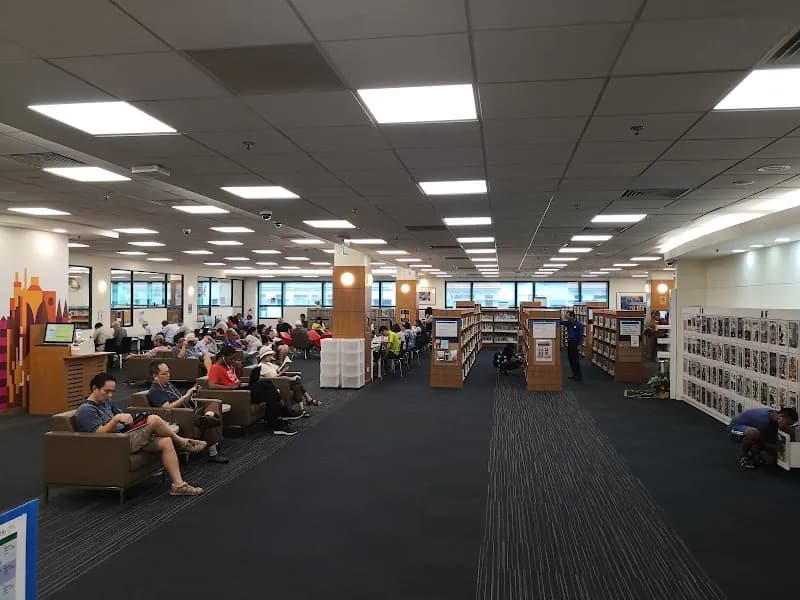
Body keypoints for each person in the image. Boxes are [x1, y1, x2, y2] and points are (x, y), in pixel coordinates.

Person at [74, 372, 207, 496]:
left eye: (112, 392)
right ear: (94, 388)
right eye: (106, 391)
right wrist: (116, 419)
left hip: (127, 435)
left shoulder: (107, 403)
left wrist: (135, 421)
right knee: (154, 420)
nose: (109, 396)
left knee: (165, 441)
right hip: (115, 444)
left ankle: (178, 486)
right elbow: (98, 435)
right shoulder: (86, 410)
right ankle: (182, 442)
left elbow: (123, 418)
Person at [147, 361, 228, 463]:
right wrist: (186, 396)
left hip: (189, 410)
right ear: (155, 376)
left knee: (212, 403)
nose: (168, 375)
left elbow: (179, 398)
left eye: (168, 372)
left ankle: (207, 417)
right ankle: (213, 453)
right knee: (207, 421)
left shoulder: (168, 385)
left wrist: (191, 392)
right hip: (181, 416)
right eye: (164, 373)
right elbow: (167, 408)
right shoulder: (155, 391)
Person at [728, 406, 798, 468]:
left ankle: (753, 453)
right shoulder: (763, 421)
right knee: (753, 433)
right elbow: (762, 441)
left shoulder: (774, 416)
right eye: (788, 424)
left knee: (787, 432)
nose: (787, 426)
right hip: (734, 429)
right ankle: (743, 456)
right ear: (781, 417)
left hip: (752, 429)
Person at [251, 346, 316, 412]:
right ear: (263, 356)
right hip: (274, 383)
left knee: (297, 385)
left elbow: (278, 369)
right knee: (296, 382)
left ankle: (302, 409)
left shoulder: (269, 364)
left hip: (280, 380)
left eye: (270, 355)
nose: (270, 357)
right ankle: (308, 400)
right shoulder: (261, 366)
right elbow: (272, 378)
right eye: (269, 356)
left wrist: (283, 367)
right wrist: (282, 371)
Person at [560, 311, 584, 381]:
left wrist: (579, 344)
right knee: (570, 358)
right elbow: (559, 322)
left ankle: (578, 375)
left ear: (572, 316)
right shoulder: (568, 323)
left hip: (575, 342)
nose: (566, 317)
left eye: (567, 316)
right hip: (570, 342)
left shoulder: (579, 324)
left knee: (575, 359)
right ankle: (574, 374)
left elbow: (580, 335)